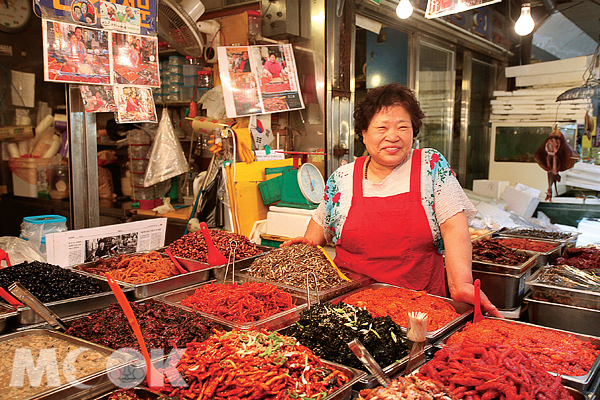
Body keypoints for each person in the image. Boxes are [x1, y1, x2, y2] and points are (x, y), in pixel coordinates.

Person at [284, 83, 502, 318]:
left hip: (420, 309)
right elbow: (321, 226)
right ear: (364, 134)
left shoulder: (430, 166)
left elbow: (454, 227)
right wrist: (306, 247)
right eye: (382, 127)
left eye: (403, 127)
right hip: (349, 309)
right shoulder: (343, 178)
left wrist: (461, 285)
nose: (393, 136)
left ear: (413, 131)